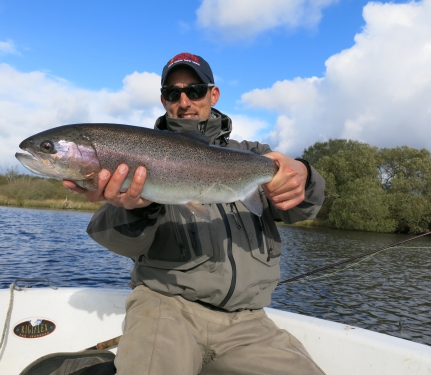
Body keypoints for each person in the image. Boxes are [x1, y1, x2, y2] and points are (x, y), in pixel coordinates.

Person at [63, 52, 326, 375]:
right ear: (164, 100)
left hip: (248, 322)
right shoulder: (134, 156)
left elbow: (308, 208)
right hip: (164, 307)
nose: (184, 101)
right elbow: (113, 239)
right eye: (174, 93)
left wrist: (304, 174)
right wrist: (140, 209)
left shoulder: (257, 157)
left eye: (195, 90)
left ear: (213, 94)